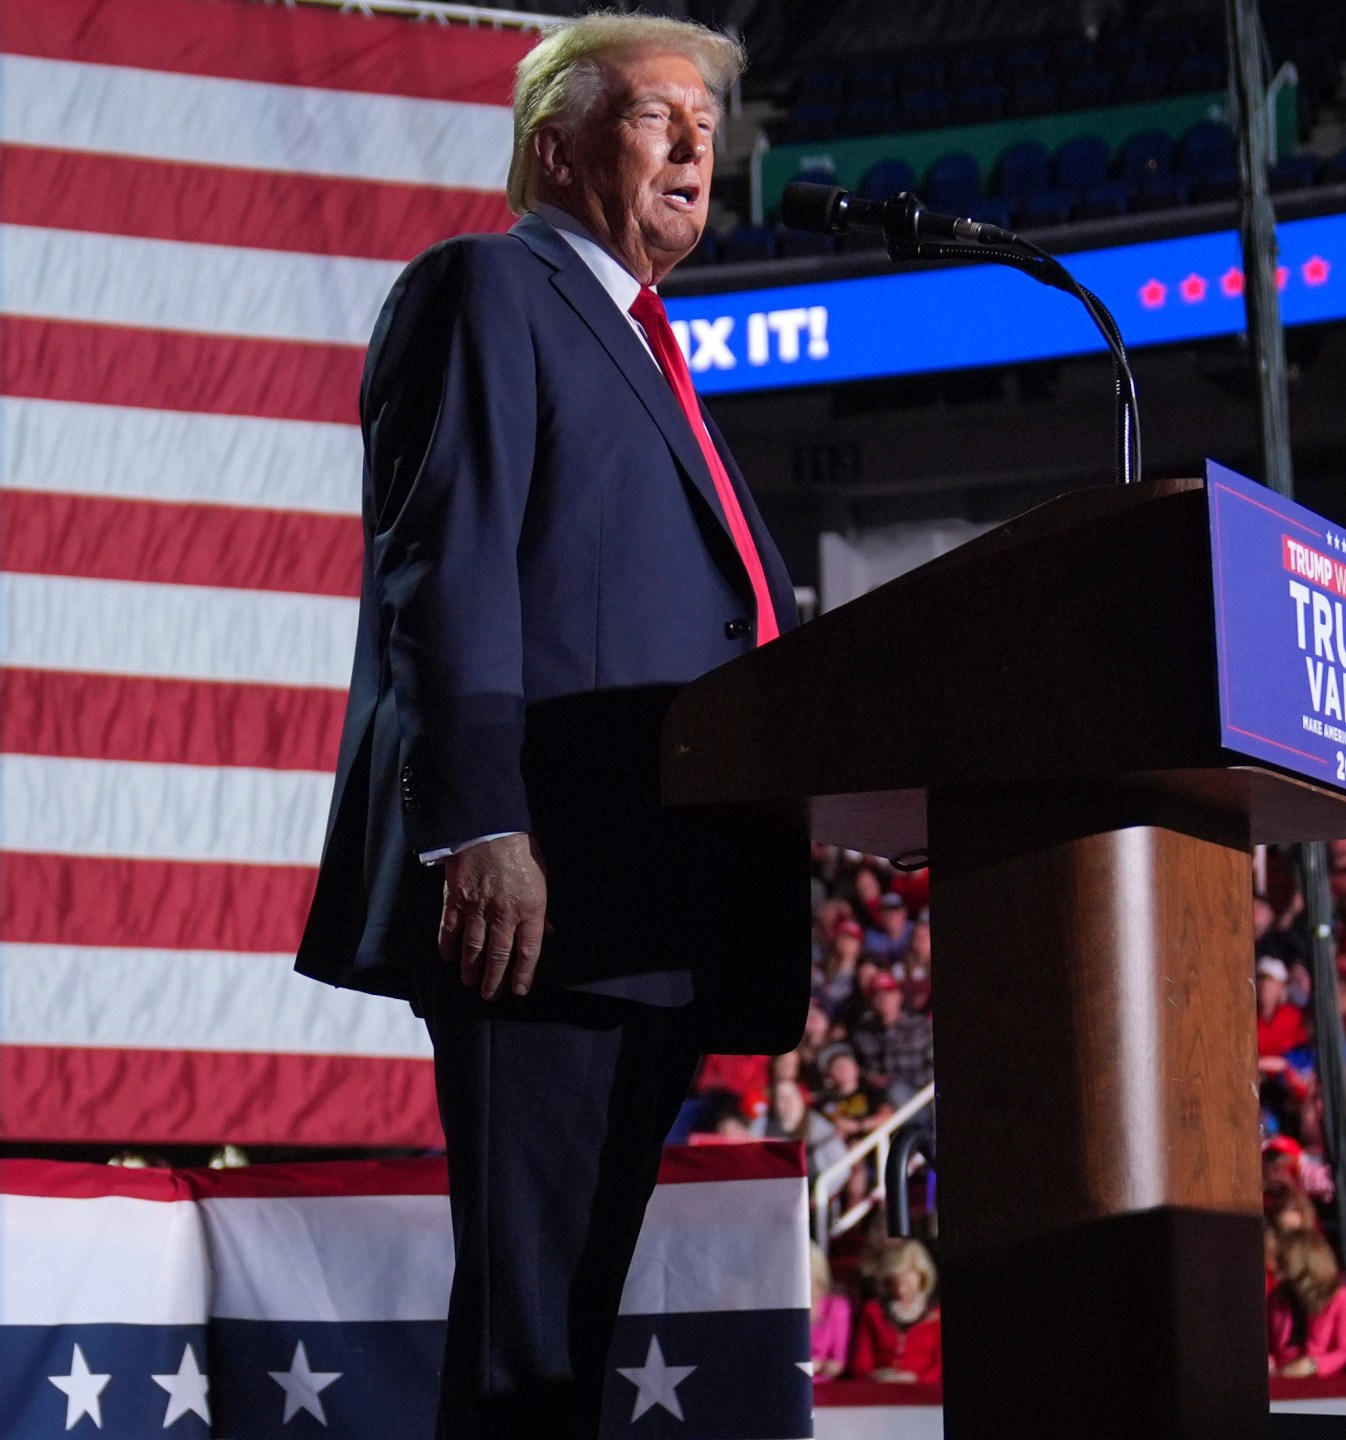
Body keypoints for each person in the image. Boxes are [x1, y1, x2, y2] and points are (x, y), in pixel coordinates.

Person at [290, 18, 804, 1435]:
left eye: (709, 121)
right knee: (530, 1340)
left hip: (654, 906)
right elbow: (442, 570)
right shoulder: (488, 291)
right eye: (659, 116)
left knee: (564, 1337)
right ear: (554, 145)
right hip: (549, 897)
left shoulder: (651, 354)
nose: (701, 146)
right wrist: (484, 820)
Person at [1269, 1228, 1346, 1378]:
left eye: (1283, 1262)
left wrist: (1313, 1365)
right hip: (1280, 1377)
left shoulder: (1340, 1297)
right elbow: (1270, 1346)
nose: (1276, 1267)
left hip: (1324, 1382)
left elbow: (1345, 1351)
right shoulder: (1276, 1299)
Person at [851, 1239, 944, 1383]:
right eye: (895, 1283)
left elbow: (939, 1366)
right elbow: (861, 1363)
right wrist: (877, 1378)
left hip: (924, 1393)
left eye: (907, 1283)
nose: (901, 1290)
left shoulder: (937, 1315)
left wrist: (916, 1379)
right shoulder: (873, 1311)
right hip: (880, 1390)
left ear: (922, 1277)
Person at [847, 970, 934, 1103]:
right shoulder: (863, 1033)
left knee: (896, 1090)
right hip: (874, 1097)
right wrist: (871, 1078)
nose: (884, 999)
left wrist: (899, 1082)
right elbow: (856, 1068)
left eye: (889, 993)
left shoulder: (920, 1027)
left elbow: (932, 1067)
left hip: (915, 1096)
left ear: (899, 996)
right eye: (878, 995)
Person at [809, 1244, 853, 1381]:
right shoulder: (782, 1309)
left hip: (823, 1385)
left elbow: (837, 1364)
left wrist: (816, 1366)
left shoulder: (837, 1307)